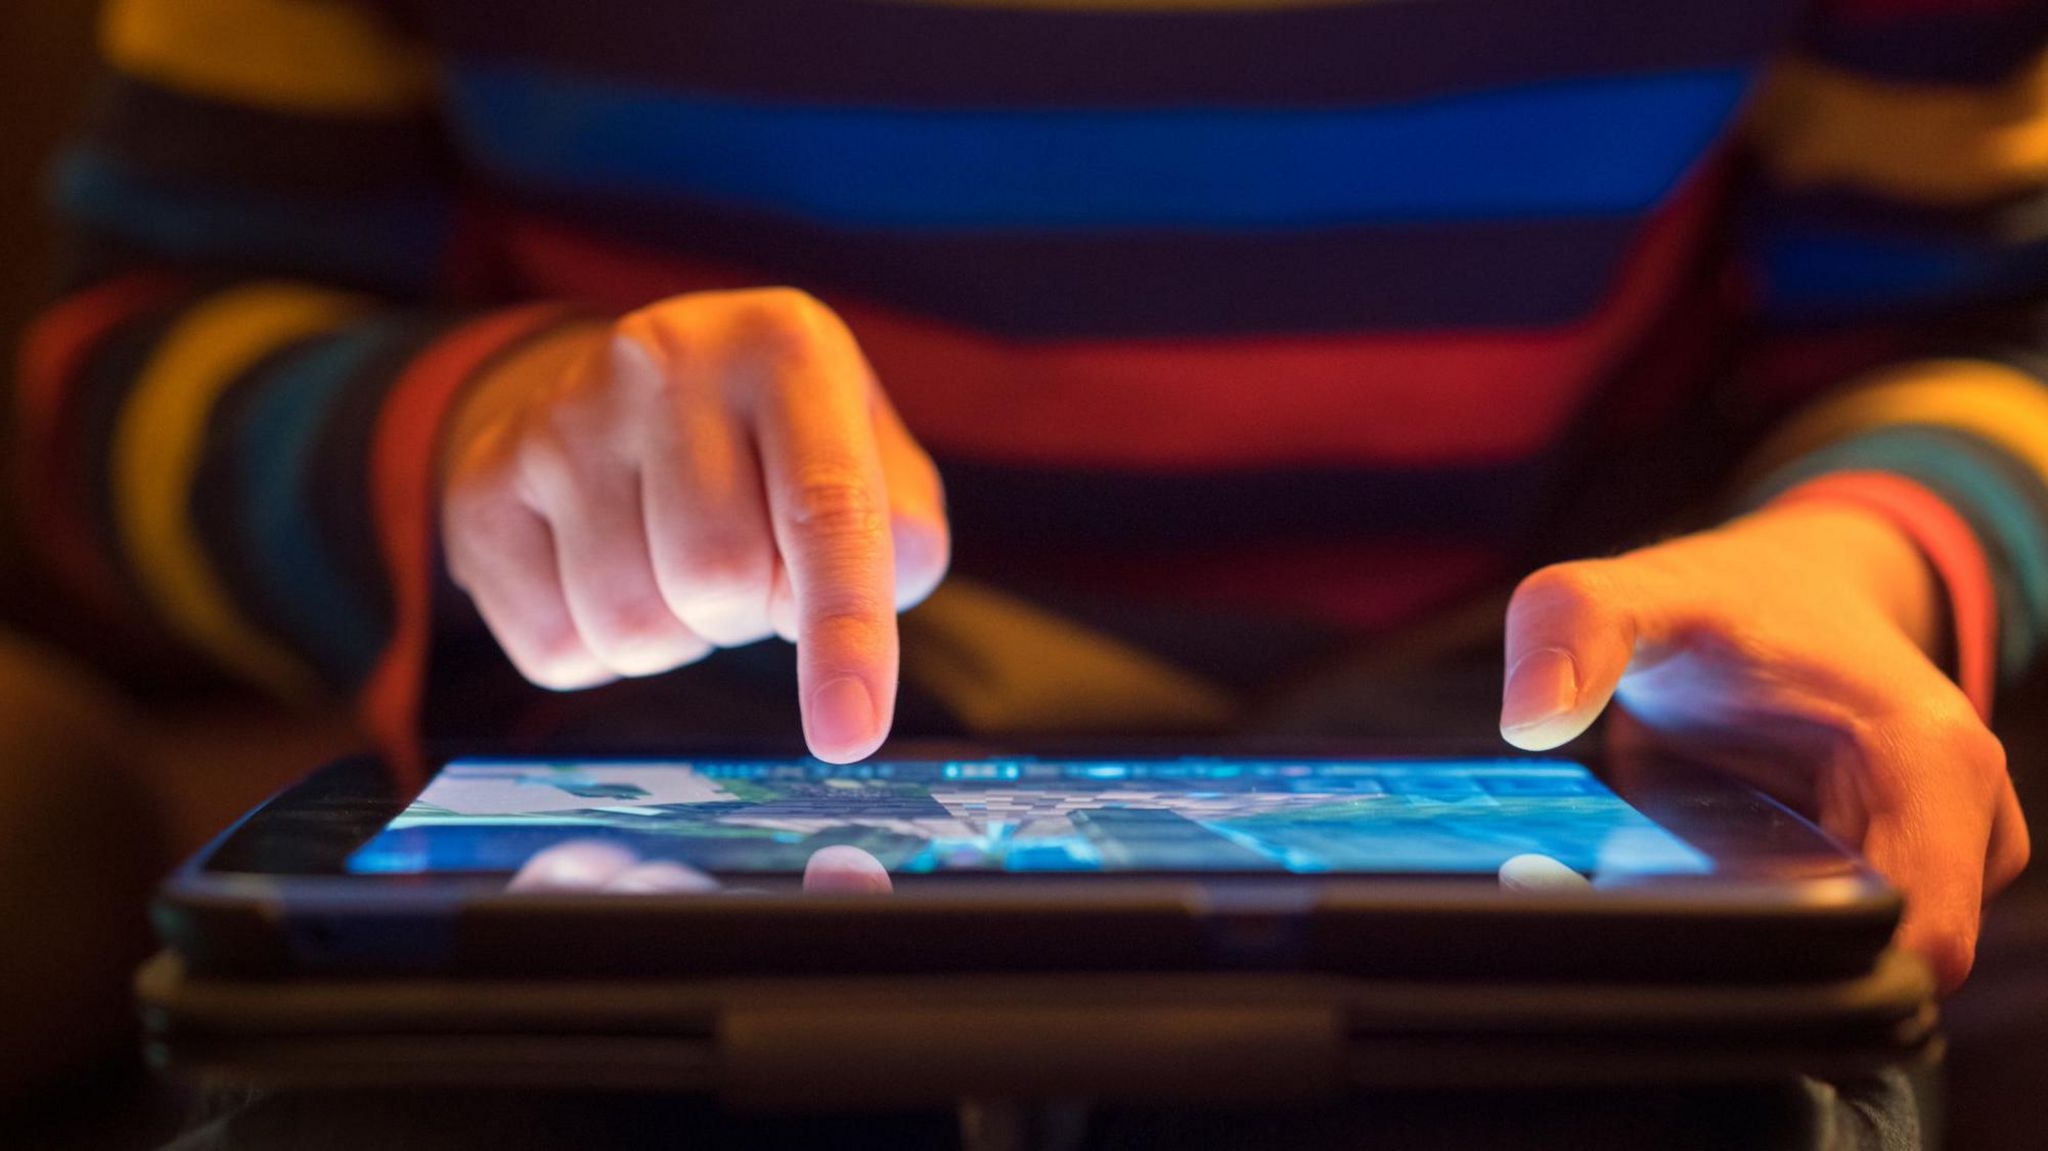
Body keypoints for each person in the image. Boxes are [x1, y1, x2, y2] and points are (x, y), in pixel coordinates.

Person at [13, 0, 2047, 1143]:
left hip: (1530, 772)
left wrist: (1859, 555)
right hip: (648, 814)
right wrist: (467, 442)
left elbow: (1966, 324)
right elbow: (110, 382)